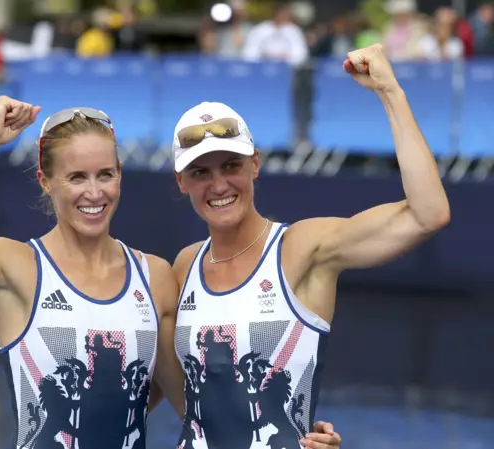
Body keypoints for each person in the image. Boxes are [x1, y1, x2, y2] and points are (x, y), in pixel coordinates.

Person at [0, 99, 342, 449]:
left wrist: (300, 436)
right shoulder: (16, 268)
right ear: (46, 182)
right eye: (76, 177)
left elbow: (203, 408)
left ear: (121, 176)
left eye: (105, 174)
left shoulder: (155, 276)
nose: (94, 192)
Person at [155, 43, 450, 449]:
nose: (219, 185)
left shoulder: (303, 247)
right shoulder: (184, 266)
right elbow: (175, 398)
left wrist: (390, 92)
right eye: (201, 172)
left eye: (231, 166)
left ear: (255, 165)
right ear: (181, 182)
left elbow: (426, 214)